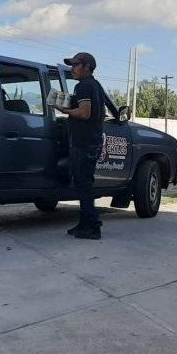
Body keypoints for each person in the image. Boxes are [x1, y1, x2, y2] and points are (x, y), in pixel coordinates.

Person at [56, 52, 105, 240]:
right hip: (91, 142)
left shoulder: (84, 86)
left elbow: (85, 113)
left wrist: (64, 109)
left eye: (75, 65)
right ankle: (85, 224)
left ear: (86, 67)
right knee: (84, 184)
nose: (72, 69)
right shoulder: (95, 86)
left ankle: (92, 226)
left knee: (83, 185)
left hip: (84, 144)